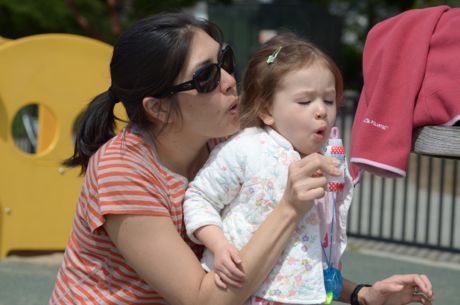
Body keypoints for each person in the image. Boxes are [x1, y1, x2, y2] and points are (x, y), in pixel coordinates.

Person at [49, 12, 433, 305]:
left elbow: (271, 257)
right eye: (205, 77)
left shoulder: (226, 144)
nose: (229, 80)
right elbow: (206, 298)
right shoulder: (124, 172)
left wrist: (359, 295)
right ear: (158, 109)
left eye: (225, 61)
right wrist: (289, 207)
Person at [183, 32, 352, 305]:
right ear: (266, 109)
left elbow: (328, 221)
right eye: (305, 101)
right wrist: (219, 245)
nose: (321, 111)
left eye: (329, 100)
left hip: (308, 293)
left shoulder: (329, 156)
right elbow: (199, 198)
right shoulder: (246, 148)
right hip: (248, 289)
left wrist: (330, 261)